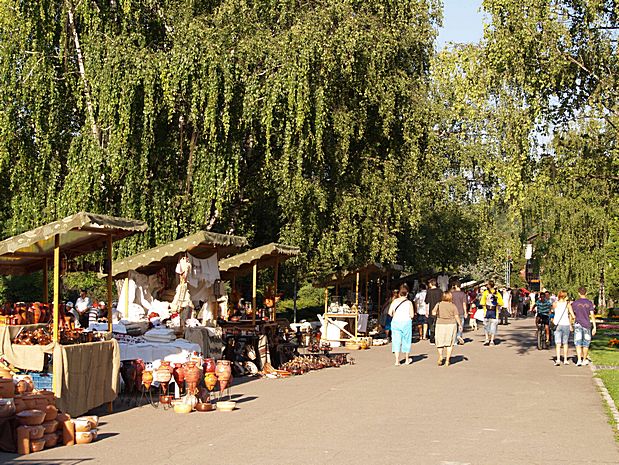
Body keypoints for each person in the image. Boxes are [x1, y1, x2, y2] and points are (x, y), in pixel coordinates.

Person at [431, 291, 462, 366]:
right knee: (450, 343)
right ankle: (447, 360)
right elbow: (456, 316)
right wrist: (460, 324)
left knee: (440, 342)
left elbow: (433, 313)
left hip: (440, 324)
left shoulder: (438, 304)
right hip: (451, 325)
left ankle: (441, 356)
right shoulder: (453, 306)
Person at [569, 287, 597, 366]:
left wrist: (570, 324)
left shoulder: (575, 303)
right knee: (586, 343)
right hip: (587, 325)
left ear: (578, 293)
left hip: (577, 324)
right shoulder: (589, 303)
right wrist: (594, 327)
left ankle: (578, 360)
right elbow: (592, 315)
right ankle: (584, 359)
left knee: (578, 342)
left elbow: (571, 314)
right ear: (586, 293)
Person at [388, 284, 415, 365]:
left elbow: (389, 313)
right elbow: (412, 315)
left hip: (396, 322)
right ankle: (406, 359)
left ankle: (397, 360)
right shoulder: (409, 303)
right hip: (406, 322)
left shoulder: (394, 301)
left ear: (399, 293)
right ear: (407, 294)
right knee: (406, 340)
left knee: (396, 340)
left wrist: (395, 315)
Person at [479, 281, 503, 346]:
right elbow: (500, 304)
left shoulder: (486, 293)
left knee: (486, 326)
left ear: (489, 285)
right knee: (493, 326)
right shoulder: (497, 293)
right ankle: (491, 340)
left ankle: (487, 339)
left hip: (488, 311)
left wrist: (484, 311)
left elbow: (482, 303)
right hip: (494, 311)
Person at [552, 291, 572, 365]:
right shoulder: (568, 304)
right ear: (565, 296)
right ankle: (565, 360)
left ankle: (558, 360)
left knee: (558, 343)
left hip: (557, 324)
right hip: (566, 324)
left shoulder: (555, 304)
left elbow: (552, 312)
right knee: (565, 343)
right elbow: (572, 315)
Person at [425, 279, 443, 343]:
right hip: (439, 310)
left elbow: (427, 302)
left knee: (431, 324)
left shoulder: (429, 291)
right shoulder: (440, 291)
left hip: (431, 310)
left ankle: (432, 338)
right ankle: (439, 337)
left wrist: (426, 311)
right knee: (439, 324)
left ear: (431, 284)